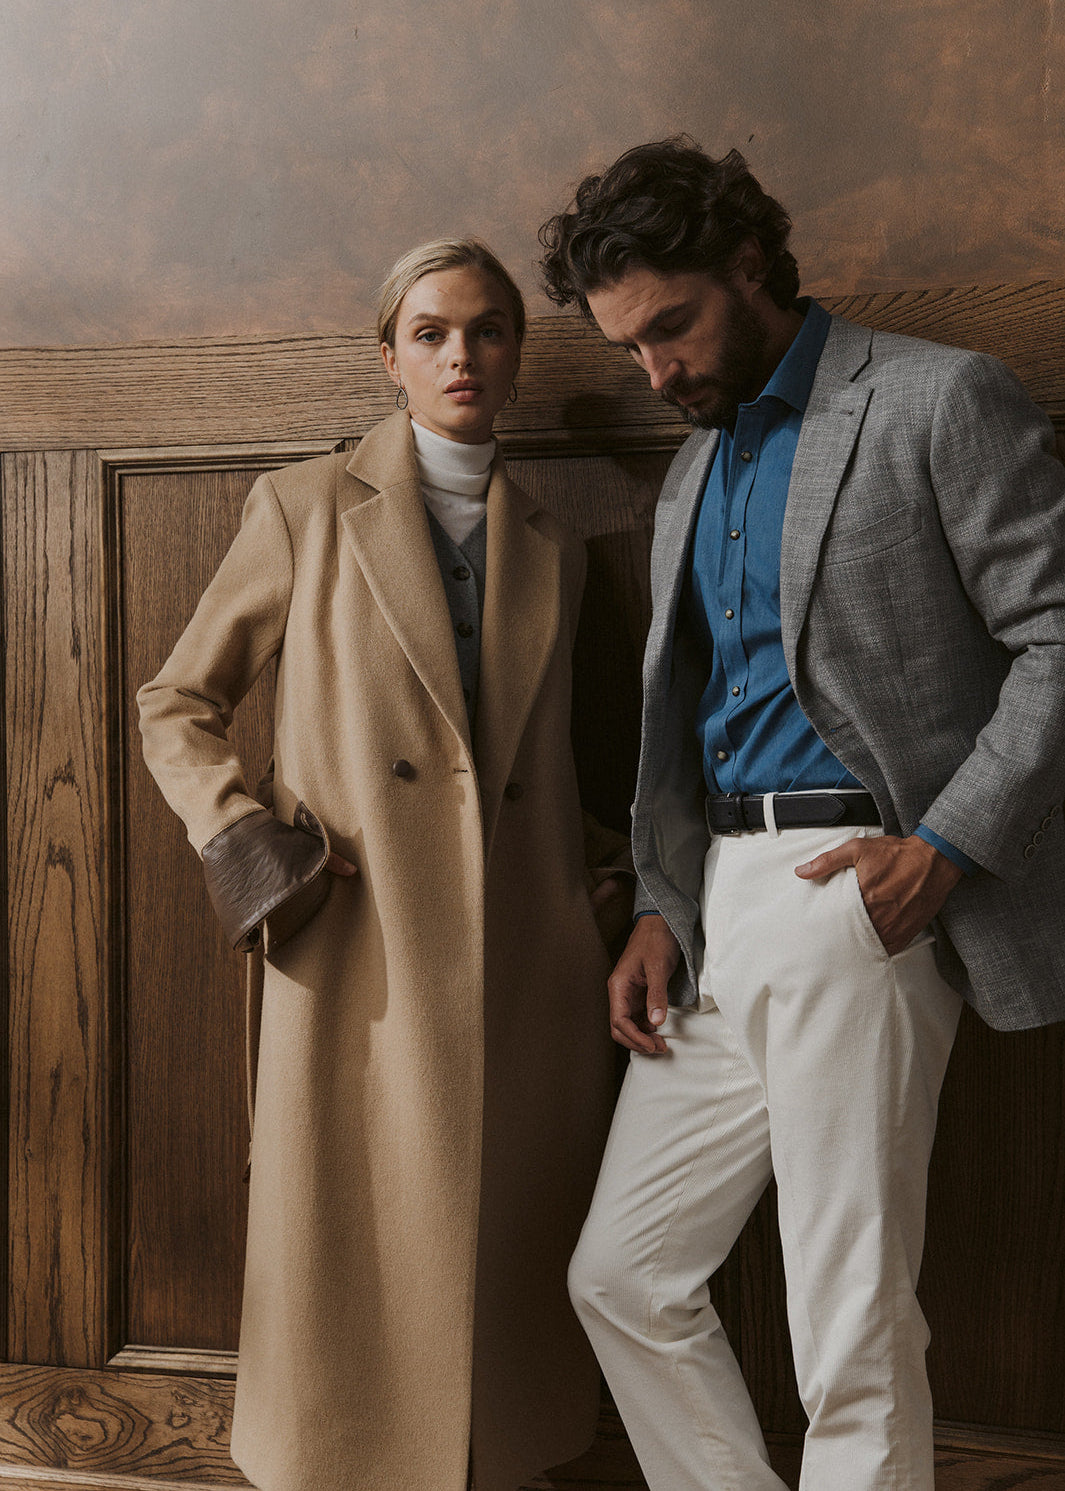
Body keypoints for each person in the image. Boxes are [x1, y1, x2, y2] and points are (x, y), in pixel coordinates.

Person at [538, 138, 1065, 1491]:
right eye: (629, 346)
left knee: (848, 1314)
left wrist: (945, 846)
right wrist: (666, 907)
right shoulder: (691, 474)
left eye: (672, 325)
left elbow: (1057, 635)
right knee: (623, 1275)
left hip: (859, 886)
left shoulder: (935, 398)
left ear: (749, 265)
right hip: (720, 901)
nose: (658, 372)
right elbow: (689, 721)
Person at [138, 238, 632, 1491]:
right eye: (431, 332)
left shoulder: (555, 545)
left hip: (527, 956)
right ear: (389, 356)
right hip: (358, 942)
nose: (462, 355)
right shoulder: (304, 506)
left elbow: (550, 762)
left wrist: (605, 894)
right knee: (349, 1242)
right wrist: (244, 838)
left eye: (489, 330)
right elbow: (176, 703)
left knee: (509, 1243)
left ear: (516, 354)